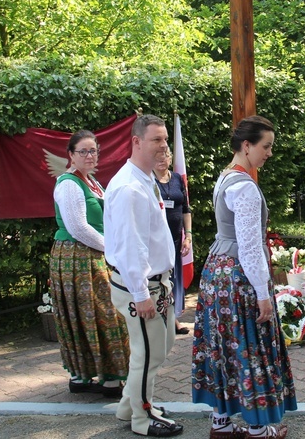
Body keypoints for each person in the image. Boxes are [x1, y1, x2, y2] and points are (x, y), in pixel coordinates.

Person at [192, 116, 297, 439]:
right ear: (247, 146)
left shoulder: (225, 177)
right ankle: (257, 428)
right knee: (250, 345)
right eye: (266, 147)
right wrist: (264, 295)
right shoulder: (245, 189)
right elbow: (250, 247)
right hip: (238, 276)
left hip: (216, 272)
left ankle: (220, 423)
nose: (269, 153)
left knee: (223, 345)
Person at [103, 115, 183, 438]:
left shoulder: (144, 178)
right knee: (147, 353)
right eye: (156, 140)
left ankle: (129, 404)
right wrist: (141, 294)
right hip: (141, 287)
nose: (164, 146)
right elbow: (130, 248)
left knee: (158, 349)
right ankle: (141, 417)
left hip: (156, 283)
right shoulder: (128, 188)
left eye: (165, 139)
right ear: (136, 142)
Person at [49, 130, 129, 397]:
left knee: (96, 314)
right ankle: (96, 377)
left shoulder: (92, 182)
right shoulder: (69, 184)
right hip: (78, 258)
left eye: (93, 151)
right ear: (70, 155)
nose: (90, 156)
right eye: (83, 151)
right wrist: (112, 249)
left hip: (92, 256)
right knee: (99, 314)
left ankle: (93, 377)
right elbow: (78, 228)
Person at [153, 148, 193, 335]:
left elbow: (185, 209)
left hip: (176, 239)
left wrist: (189, 236)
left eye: (166, 156)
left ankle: (173, 318)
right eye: (158, 157)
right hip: (156, 241)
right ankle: (163, 319)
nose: (162, 160)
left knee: (173, 278)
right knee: (160, 279)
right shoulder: (148, 180)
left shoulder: (177, 178)